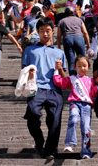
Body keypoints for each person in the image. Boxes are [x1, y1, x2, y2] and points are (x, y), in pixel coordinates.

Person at [22, 17, 66, 160]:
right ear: (38, 32)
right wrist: (28, 73)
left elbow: (64, 76)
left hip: (54, 89)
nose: (45, 34)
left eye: (48, 31)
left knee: (55, 120)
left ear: (52, 31)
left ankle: (50, 150)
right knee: (33, 113)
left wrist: (60, 69)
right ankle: (39, 141)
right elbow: (23, 69)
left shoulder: (59, 52)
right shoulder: (29, 50)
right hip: (36, 88)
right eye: (42, 31)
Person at [53, 56, 98, 159]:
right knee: (73, 118)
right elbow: (59, 82)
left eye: (84, 66)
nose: (82, 68)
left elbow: (93, 93)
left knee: (86, 128)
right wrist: (56, 70)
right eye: (79, 66)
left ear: (88, 67)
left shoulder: (91, 80)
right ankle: (69, 143)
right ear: (74, 67)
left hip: (86, 106)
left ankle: (86, 151)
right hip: (75, 103)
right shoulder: (72, 79)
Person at [57, 8, 90, 75]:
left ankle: (72, 78)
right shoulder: (79, 20)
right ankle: (83, 76)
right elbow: (85, 33)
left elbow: (58, 35)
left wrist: (59, 46)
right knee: (82, 59)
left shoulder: (62, 21)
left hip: (67, 38)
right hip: (79, 38)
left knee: (71, 61)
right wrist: (88, 44)